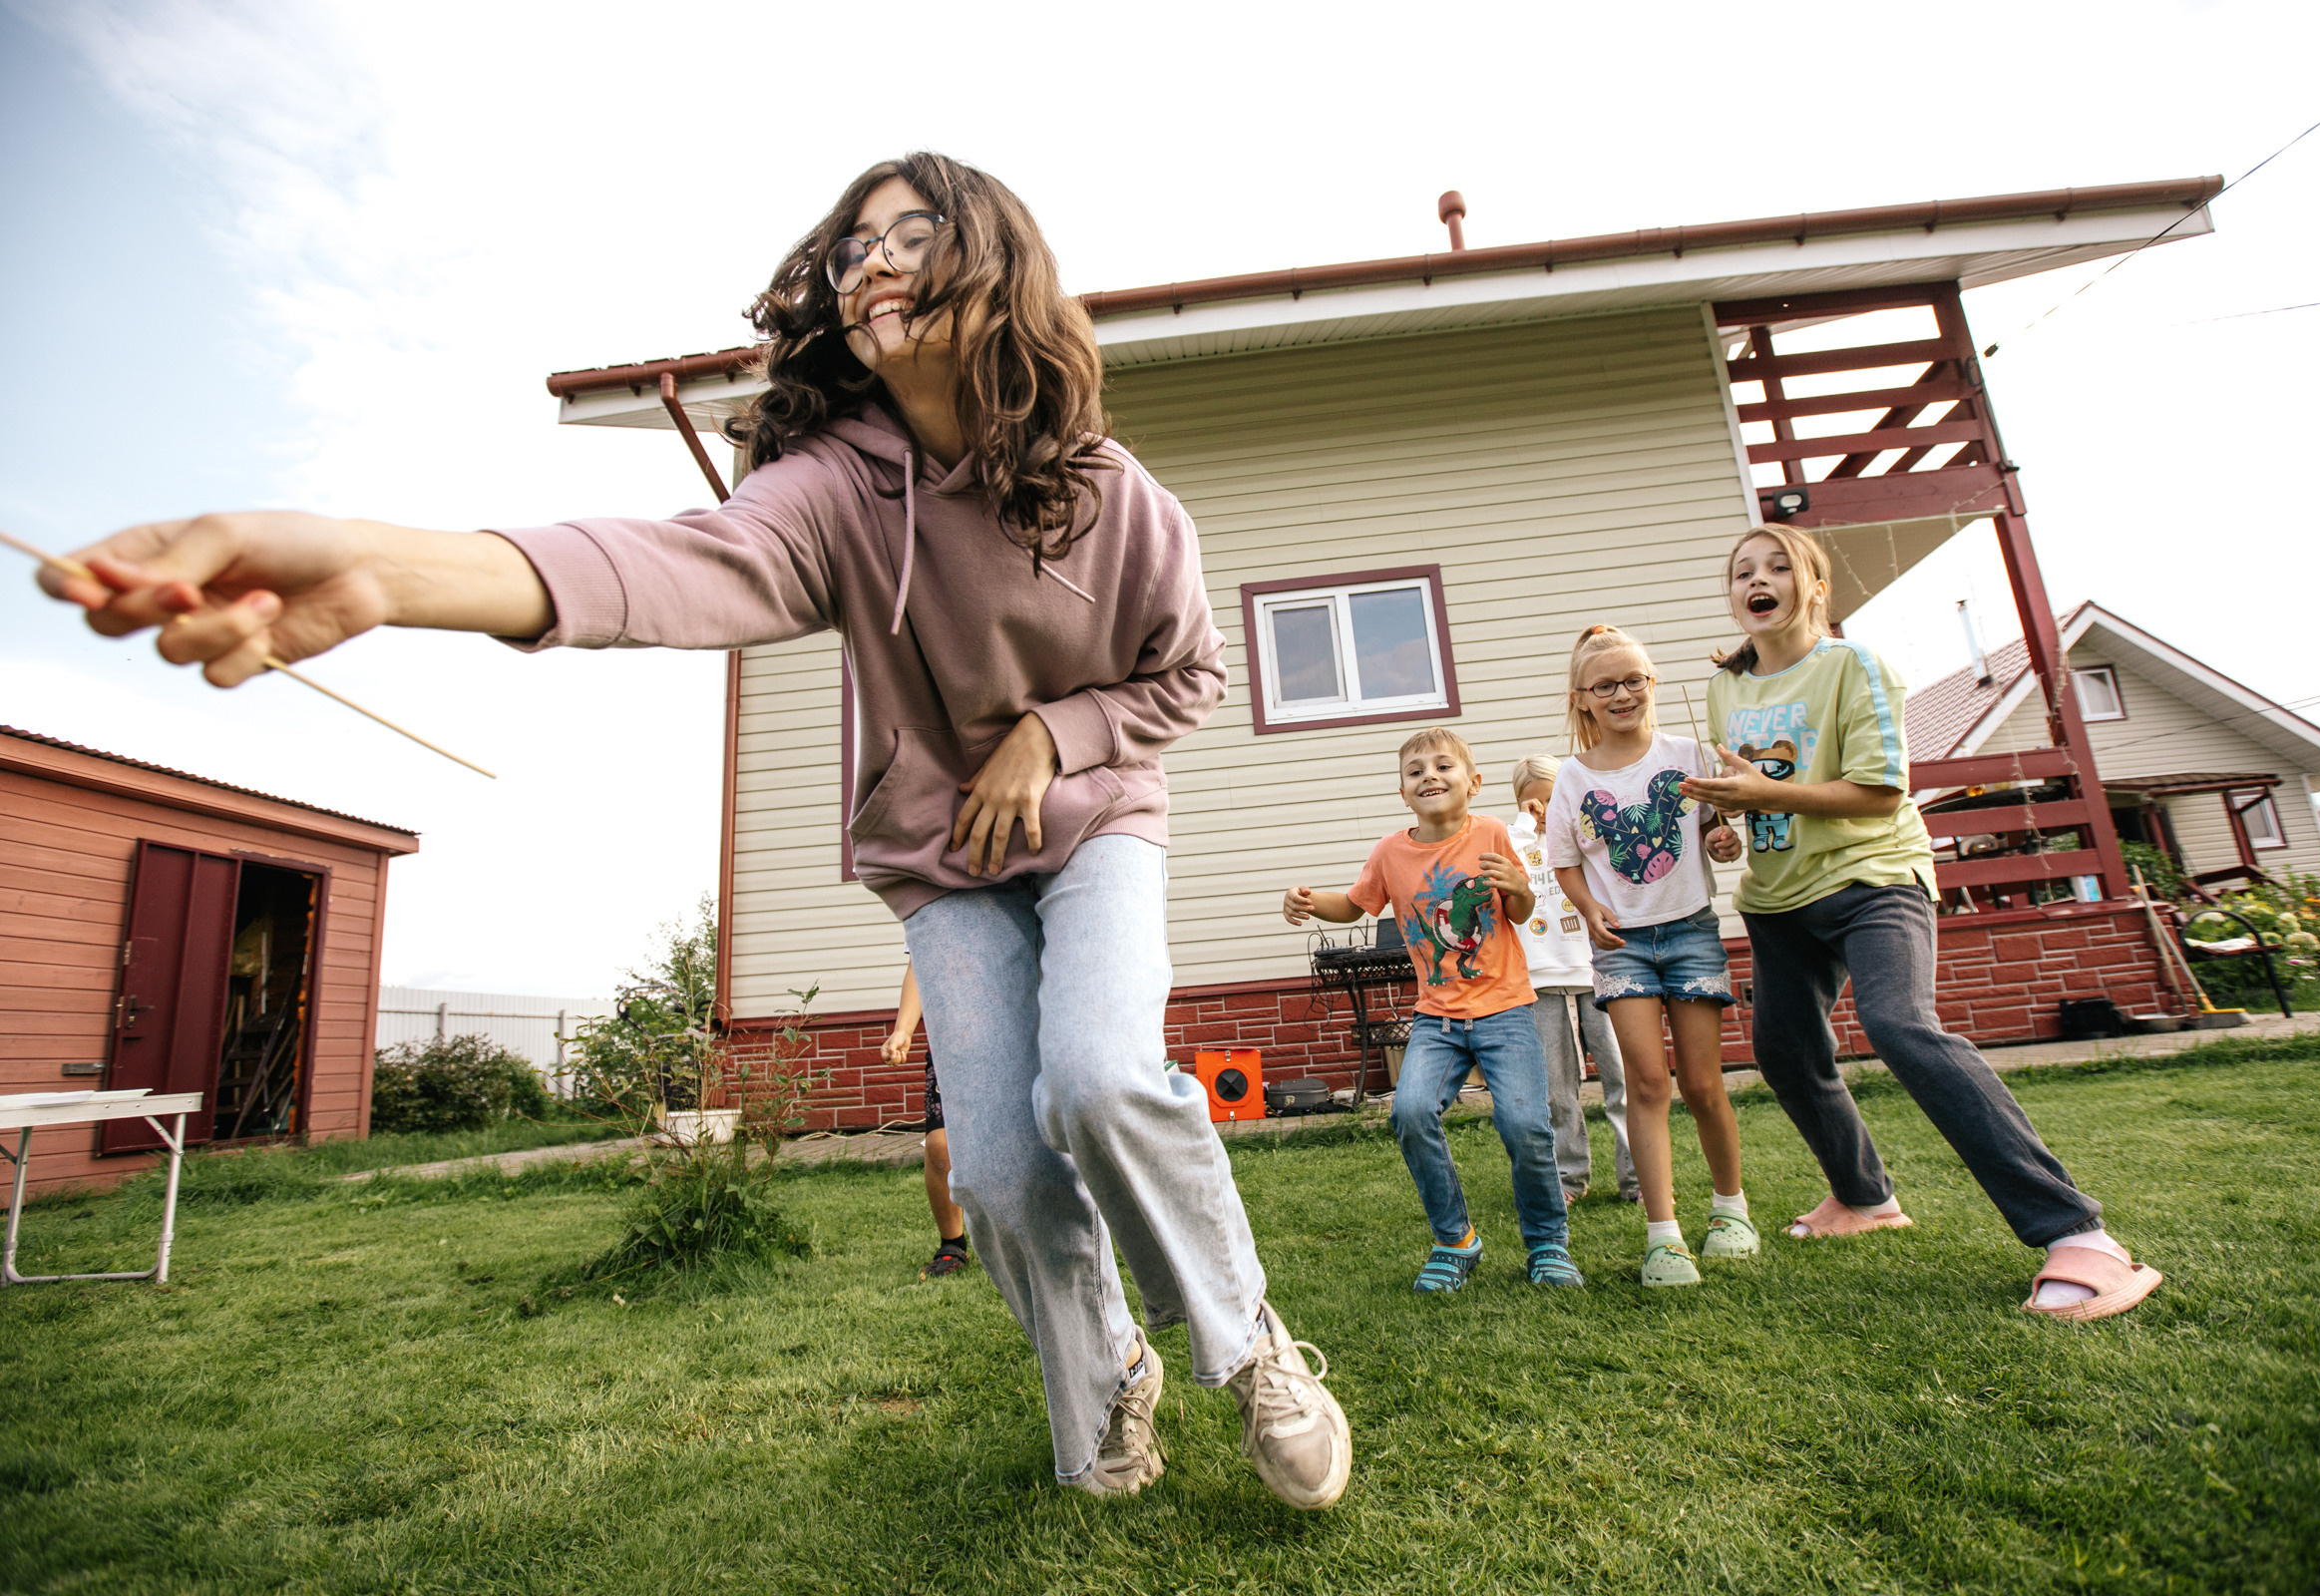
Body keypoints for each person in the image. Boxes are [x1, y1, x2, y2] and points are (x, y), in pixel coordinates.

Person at [42, 153, 1353, 1501]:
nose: (873, 264)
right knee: (1005, 1172)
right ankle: (1107, 1377)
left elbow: (1186, 675)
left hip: (1096, 828)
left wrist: (1052, 736)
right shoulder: (840, 487)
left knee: (1094, 1078)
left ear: (997, 268)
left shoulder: (1111, 493)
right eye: (851, 250)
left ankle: (1253, 1350)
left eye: (911, 236)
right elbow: (684, 563)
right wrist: (381, 566)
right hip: (943, 862)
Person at [1680, 526, 2161, 1322]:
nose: (1757, 581)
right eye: (1741, 572)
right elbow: (1756, 788)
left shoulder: (1856, 667)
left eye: (1777, 567)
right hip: (1778, 897)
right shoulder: (1726, 688)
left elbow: (1877, 790)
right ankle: (1864, 1198)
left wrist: (1764, 798)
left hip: (1873, 879)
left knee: (1902, 1026)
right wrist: (1725, 827)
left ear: (1816, 587)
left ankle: (2080, 1235)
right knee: (1786, 1052)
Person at [1280, 728, 1582, 1291]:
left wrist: (1519, 884)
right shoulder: (1390, 853)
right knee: (1411, 1112)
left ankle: (1547, 1243)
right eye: (1416, 771)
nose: (1430, 777)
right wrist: (1307, 899)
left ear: (1474, 782)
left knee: (1525, 1126)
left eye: (1443, 766)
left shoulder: (1491, 832)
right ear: (1403, 791)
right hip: (1437, 1019)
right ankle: (1455, 1240)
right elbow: (1353, 905)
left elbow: (1517, 910)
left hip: (1505, 1010)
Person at [1546, 625, 1756, 1289]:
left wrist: (1725, 840)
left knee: (1700, 1084)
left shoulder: (1688, 752)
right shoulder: (1575, 778)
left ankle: (1731, 1209)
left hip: (1691, 929)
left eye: (1633, 679)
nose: (1622, 693)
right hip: (1623, 946)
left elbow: (1720, 833)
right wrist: (1588, 908)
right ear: (1582, 699)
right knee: (1646, 1083)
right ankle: (1663, 1236)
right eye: (1605, 685)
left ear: (1653, 684)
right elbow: (1565, 860)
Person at [1506, 755, 1637, 1206]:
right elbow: (1507, 856)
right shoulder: (1512, 841)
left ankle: (1638, 1179)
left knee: (1623, 1078)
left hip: (1598, 970)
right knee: (1557, 1090)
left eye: (1555, 796)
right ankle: (1569, 1176)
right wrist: (1526, 821)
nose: (1547, 808)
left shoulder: (1585, 832)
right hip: (1541, 978)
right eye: (1538, 801)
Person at [881, 964, 968, 1279]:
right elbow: (920, 965)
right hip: (949, 1047)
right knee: (939, 1145)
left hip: (1010, 1034)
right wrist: (903, 1029)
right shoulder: (931, 914)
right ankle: (952, 1244)